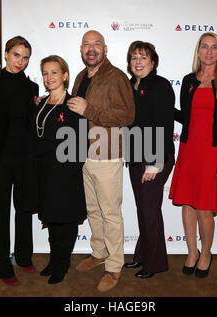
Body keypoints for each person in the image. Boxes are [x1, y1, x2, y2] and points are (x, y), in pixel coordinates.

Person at [169, 32, 217, 278]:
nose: (209, 52)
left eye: (214, 47)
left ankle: (206, 253)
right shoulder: (189, 80)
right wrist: (163, 106)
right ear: (198, 51)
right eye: (204, 47)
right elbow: (186, 118)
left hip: (213, 152)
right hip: (189, 149)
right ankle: (191, 252)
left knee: (204, 208)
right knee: (188, 203)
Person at [67, 30, 135, 292]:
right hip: (83, 154)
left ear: (105, 49)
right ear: (81, 49)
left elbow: (127, 115)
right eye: (87, 45)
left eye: (96, 44)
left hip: (107, 155)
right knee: (93, 210)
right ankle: (99, 253)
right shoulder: (81, 76)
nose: (91, 49)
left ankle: (115, 266)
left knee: (110, 213)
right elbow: (74, 110)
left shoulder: (116, 76)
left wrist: (90, 110)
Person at [0, 36, 39, 286]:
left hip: (25, 159)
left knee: (24, 210)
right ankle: (2, 267)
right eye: (16, 55)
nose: (20, 62)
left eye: (25, 58)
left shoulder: (32, 88)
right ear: (5, 54)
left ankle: (24, 257)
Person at [30, 55, 87, 284]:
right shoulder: (41, 103)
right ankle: (54, 260)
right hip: (44, 171)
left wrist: (71, 169)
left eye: (54, 72)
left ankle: (62, 264)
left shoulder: (74, 103)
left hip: (65, 172)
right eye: (45, 73)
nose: (49, 77)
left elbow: (82, 142)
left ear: (65, 75)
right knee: (52, 218)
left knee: (66, 219)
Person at [123, 41, 175, 278]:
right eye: (134, 58)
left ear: (153, 62)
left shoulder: (161, 85)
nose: (138, 62)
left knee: (149, 210)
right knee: (145, 209)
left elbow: (165, 124)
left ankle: (155, 264)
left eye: (143, 57)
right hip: (135, 157)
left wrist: (155, 163)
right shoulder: (131, 86)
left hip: (155, 158)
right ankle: (142, 255)